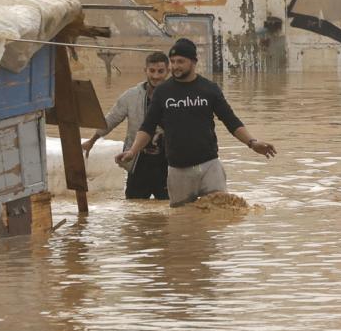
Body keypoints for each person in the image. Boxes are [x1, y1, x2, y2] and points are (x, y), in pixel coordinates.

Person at [116, 38, 276, 207]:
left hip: (210, 165)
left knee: (220, 214)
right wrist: (133, 151)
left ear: (193, 62)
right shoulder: (163, 92)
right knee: (182, 223)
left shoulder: (209, 89)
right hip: (178, 170)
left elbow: (231, 121)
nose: (175, 66)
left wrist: (252, 143)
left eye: (181, 61)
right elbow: (147, 128)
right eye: (173, 62)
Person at [83, 51, 170, 200]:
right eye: (152, 71)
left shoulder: (175, 96)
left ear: (168, 71)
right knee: (134, 209)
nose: (156, 76)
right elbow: (111, 120)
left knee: (170, 209)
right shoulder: (131, 96)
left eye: (160, 71)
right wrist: (92, 140)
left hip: (168, 163)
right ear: (145, 71)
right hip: (137, 162)